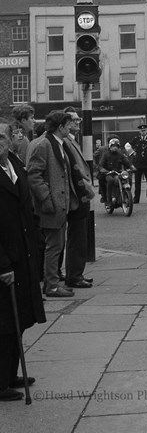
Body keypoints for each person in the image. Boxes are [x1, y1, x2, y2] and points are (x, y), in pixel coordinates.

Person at [0, 119, 46, 402]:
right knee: (4, 322)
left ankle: (10, 373)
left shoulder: (14, 166)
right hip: (5, 260)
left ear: (9, 139)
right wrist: (2, 264)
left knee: (19, 319)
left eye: (1, 138)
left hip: (23, 253)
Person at [26, 110, 77, 299]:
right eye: (68, 124)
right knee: (53, 247)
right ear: (61, 127)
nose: (70, 127)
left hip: (60, 205)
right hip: (52, 205)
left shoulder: (57, 143)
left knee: (56, 245)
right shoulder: (44, 145)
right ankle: (52, 286)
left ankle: (51, 283)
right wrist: (47, 199)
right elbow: (33, 175)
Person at [60, 107, 95, 289]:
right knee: (77, 237)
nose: (77, 123)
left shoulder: (73, 141)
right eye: (73, 120)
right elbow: (75, 171)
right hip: (77, 196)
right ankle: (74, 276)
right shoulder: (66, 141)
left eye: (78, 120)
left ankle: (76, 273)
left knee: (79, 237)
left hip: (80, 195)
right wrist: (87, 189)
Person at [97, 139, 137, 209]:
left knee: (128, 178)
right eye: (113, 146)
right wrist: (103, 170)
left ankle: (125, 196)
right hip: (108, 173)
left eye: (116, 146)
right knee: (110, 181)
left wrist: (132, 167)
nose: (115, 147)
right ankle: (108, 200)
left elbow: (127, 162)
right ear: (110, 146)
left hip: (118, 173)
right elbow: (100, 165)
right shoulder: (106, 155)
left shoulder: (120, 154)